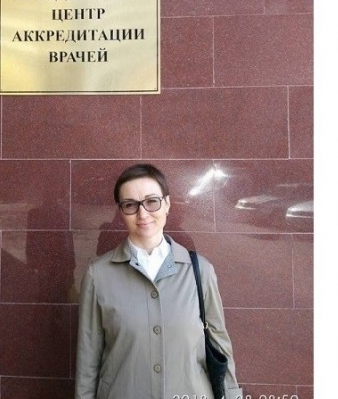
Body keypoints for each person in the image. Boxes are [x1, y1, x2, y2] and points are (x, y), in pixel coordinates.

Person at [76, 163, 243, 399]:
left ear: (167, 204)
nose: (143, 214)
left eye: (152, 201)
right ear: (121, 211)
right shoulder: (98, 275)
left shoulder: (200, 271)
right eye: (130, 205)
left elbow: (220, 345)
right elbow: (88, 357)